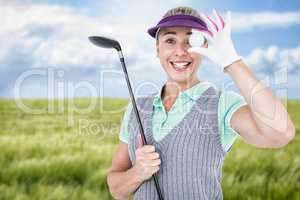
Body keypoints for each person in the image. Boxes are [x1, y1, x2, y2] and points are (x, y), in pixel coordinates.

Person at [106, 6, 295, 200]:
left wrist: (231, 61)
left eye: (191, 41)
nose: (180, 51)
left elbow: (281, 133)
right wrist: (137, 172)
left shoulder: (222, 104)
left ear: (205, 48)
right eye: (170, 40)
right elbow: (116, 189)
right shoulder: (137, 107)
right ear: (158, 49)